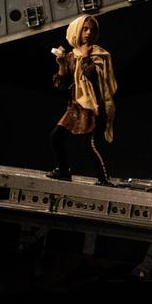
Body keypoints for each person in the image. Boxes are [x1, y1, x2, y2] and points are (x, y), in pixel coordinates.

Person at [47, 15, 117, 186]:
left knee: (89, 145)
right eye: (85, 29)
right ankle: (63, 171)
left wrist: (86, 58)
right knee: (56, 138)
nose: (88, 33)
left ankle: (104, 179)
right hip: (74, 107)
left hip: (92, 107)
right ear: (77, 31)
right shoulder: (72, 56)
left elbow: (93, 77)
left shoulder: (100, 55)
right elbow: (61, 85)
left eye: (92, 30)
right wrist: (62, 65)